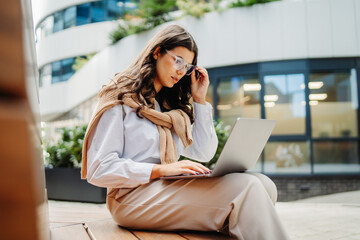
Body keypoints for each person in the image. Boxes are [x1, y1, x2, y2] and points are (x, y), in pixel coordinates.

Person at [81, 24, 290, 240]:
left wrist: (199, 100)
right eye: (178, 60)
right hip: (130, 197)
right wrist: (160, 170)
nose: (181, 71)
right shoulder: (120, 98)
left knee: (264, 184)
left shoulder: (169, 109)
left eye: (187, 66)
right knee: (246, 188)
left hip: (165, 188)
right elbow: (99, 168)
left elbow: (204, 152)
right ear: (157, 52)